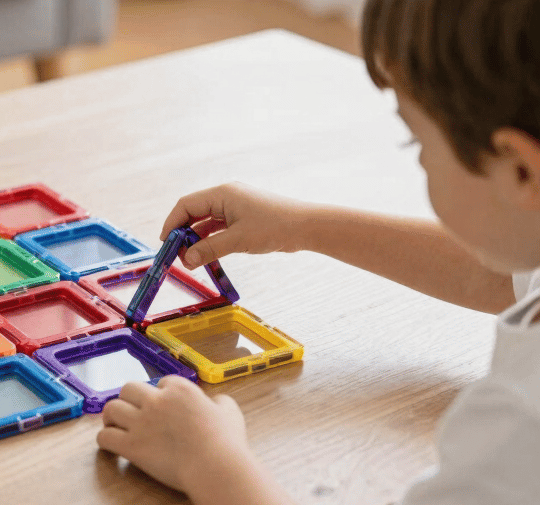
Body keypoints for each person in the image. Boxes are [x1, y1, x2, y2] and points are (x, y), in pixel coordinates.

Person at [95, 0, 540, 503]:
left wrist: (210, 462)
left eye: (417, 142)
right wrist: (302, 226)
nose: (419, 157)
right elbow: (502, 279)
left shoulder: (520, 422)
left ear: (520, 170)